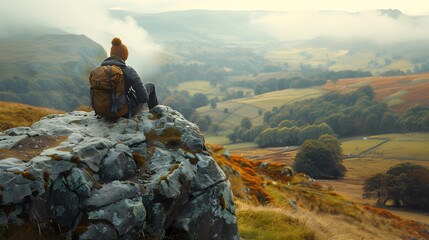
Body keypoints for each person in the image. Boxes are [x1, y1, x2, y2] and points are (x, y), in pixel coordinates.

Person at [100, 37, 158, 118]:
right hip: (124, 113)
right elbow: (143, 98)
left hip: (103, 111)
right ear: (124, 55)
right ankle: (156, 115)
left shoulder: (101, 70)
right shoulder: (129, 71)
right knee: (150, 85)